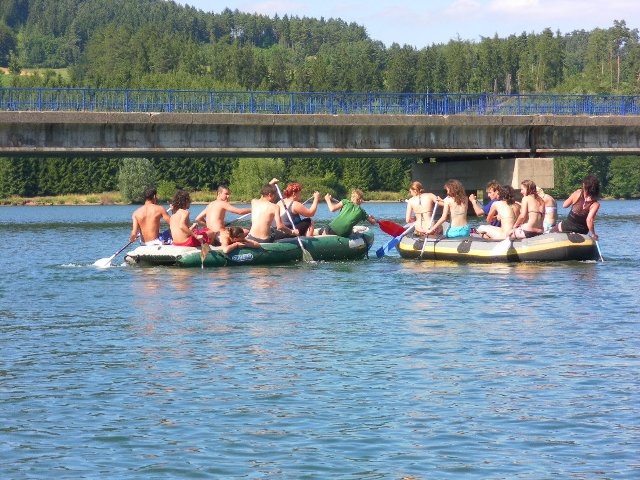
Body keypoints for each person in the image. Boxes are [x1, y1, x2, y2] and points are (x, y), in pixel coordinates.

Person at [551, 174, 601, 240]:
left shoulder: (577, 193)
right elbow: (589, 220)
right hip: (582, 230)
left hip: (567, 226)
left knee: (551, 231)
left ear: (584, 185)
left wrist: (573, 200)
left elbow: (565, 205)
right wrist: (593, 234)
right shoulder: (595, 204)